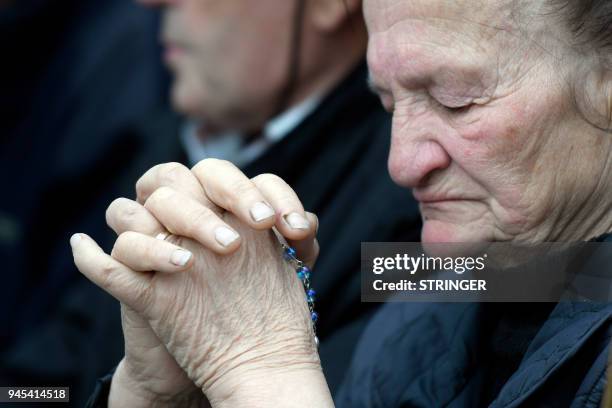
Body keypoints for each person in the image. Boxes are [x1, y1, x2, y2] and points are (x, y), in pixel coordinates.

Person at [75, 0, 612, 406]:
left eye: (457, 100)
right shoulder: (444, 289)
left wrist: (262, 367)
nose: (401, 165)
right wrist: (155, 395)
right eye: (387, 103)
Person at [2, 0, 421, 404]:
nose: (149, 2)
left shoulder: (422, 199)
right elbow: (54, 380)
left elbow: (474, 281)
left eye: (459, 101)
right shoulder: (166, 142)